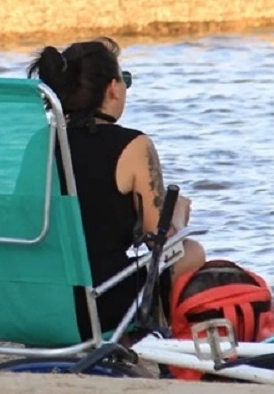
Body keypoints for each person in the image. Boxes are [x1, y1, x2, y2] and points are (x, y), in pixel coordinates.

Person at [29, 38, 206, 332]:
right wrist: (177, 213)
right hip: (96, 304)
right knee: (191, 252)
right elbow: (160, 241)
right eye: (124, 80)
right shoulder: (134, 146)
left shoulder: (39, 143)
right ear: (113, 88)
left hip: (35, 301)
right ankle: (152, 340)